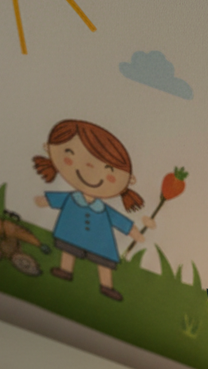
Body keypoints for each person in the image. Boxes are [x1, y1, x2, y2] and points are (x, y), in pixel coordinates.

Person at [33, 119, 155, 301]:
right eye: (72, 153)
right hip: (71, 233)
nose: (89, 169)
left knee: (103, 262)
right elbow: (56, 199)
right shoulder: (71, 198)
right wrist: (45, 201)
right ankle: (65, 270)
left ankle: (106, 286)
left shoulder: (103, 209)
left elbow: (119, 220)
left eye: (108, 169)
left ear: (129, 180)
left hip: (100, 241)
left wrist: (134, 232)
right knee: (68, 250)